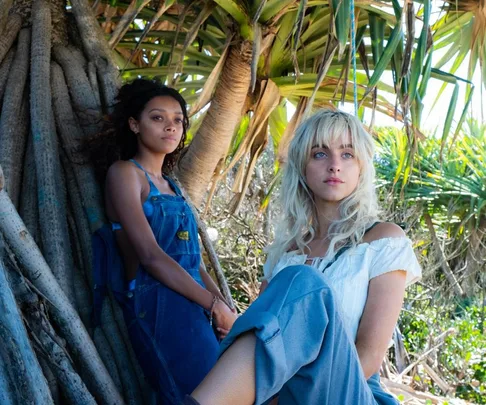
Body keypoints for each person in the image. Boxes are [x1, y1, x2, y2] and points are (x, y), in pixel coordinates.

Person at [185, 109, 422, 405]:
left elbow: (369, 357)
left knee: (305, 282)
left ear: (361, 166)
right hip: (284, 395)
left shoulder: (383, 239)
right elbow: (267, 341)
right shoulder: (285, 255)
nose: (335, 165)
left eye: (347, 155)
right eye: (320, 154)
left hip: (350, 391)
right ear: (303, 167)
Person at [90, 78, 237, 404]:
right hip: (157, 304)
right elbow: (150, 255)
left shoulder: (173, 186)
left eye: (178, 120)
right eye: (158, 118)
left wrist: (224, 309)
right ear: (134, 124)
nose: (171, 127)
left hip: (194, 306)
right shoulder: (125, 174)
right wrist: (211, 305)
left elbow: (193, 263)